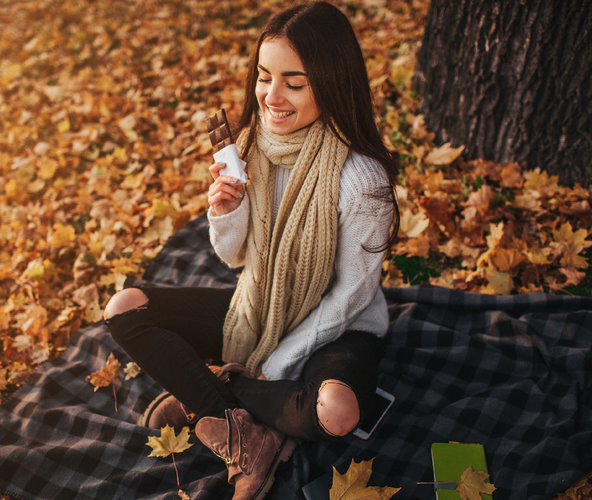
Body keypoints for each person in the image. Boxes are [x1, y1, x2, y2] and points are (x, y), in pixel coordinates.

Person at [103, 2, 399, 499]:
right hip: (259, 306)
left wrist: (279, 360)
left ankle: (212, 396)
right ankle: (249, 432)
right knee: (125, 308)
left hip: (337, 326)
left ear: (330, 82)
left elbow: (350, 294)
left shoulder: (361, 180)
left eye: (294, 82)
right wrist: (225, 211)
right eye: (264, 77)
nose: (272, 96)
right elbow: (235, 259)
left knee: (337, 413)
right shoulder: (250, 146)